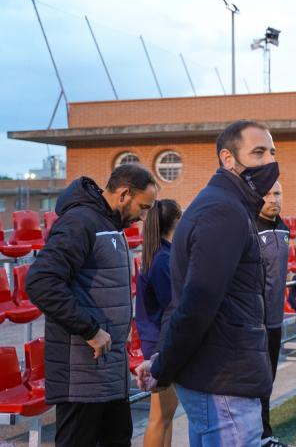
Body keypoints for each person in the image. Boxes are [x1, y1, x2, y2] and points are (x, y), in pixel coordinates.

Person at [136, 120, 279, 447]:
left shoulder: (223, 205)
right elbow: (196, 305)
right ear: (228, 159)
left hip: (217, 375)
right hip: (223, 380)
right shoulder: (223, 211)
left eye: (271, 152)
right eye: (258, 152)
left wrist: (162, 360)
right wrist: (164, 365)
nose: (269, 161)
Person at [26, 164, 158, 447]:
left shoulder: (108, 224)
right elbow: (41, 281)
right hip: (81, 376)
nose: (143, 217)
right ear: (124, 194)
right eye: (143, 207)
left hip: (109, 373)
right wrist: (89, 330)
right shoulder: (80, 222)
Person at [135, 199, 182, 447]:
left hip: (160, 339)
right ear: (176, 221)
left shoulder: (162, 253)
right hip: (158, 343)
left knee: (167, 412)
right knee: (159, 416)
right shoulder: (161, 258)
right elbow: (170, 305)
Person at [256, 181, 291, 447]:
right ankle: (259, 434)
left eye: (277, 193)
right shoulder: (248, 227)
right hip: (252, 321)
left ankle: (264, 433)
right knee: (254, 382)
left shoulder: (284, 227)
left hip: (275, 319)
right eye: (267, 194)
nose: (272, 199)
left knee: (269, 381)